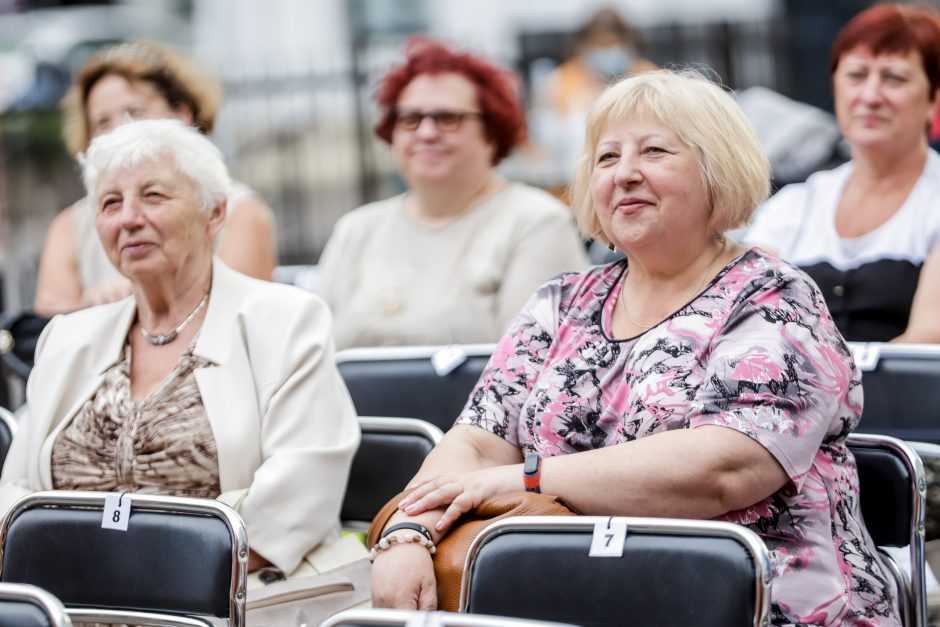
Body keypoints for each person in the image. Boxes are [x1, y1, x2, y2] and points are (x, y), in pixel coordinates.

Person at [369, 70, 901, 626]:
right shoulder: (561, 303)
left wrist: (527, 478)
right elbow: (476, 444)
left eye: (654, 151)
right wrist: (409, 531)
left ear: (716, 169)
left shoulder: (773, 297)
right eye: (606, 158)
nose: (625, 174)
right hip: (576, 599)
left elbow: (723, 468)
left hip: (764, 604)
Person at [0, 118, 360, 579]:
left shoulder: (287, 321)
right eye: (111, 203)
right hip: (74, 599)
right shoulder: (66, 337)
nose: (129, 218)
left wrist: (140, 573)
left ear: (215, 214)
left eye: (153, 196)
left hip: (222, 600)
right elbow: (15, 489)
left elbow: (296, 501)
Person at [316, 38, 588, 349]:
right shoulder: (356, 230)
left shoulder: (537, 223)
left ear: (492, 133)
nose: (426, 133)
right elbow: (311, 351)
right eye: (410, 119)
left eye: (448, 118)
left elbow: (529, 369)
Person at [34, 41, 277, 316]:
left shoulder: (239, 211)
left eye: (134, 113)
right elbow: (46, 320)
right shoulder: (70, 225)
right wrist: (94, 304)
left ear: (182, 115)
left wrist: (132, 299)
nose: (118, 131)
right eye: (102, 122)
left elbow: (242, 311)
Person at [745, 4, 940, 343]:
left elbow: (928, 337)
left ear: (933, 98)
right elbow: (744, 322)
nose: (870, 96)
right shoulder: (793, 206)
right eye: (856, 75)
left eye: (893, 78)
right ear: (835, 87)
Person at [530, 7, 656, 176]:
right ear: (586, 45)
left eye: (612, 44)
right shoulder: (562, 80)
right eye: (600, 45)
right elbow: (541, 140)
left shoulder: (647, 76)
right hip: (574, 175)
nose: (607, 51)